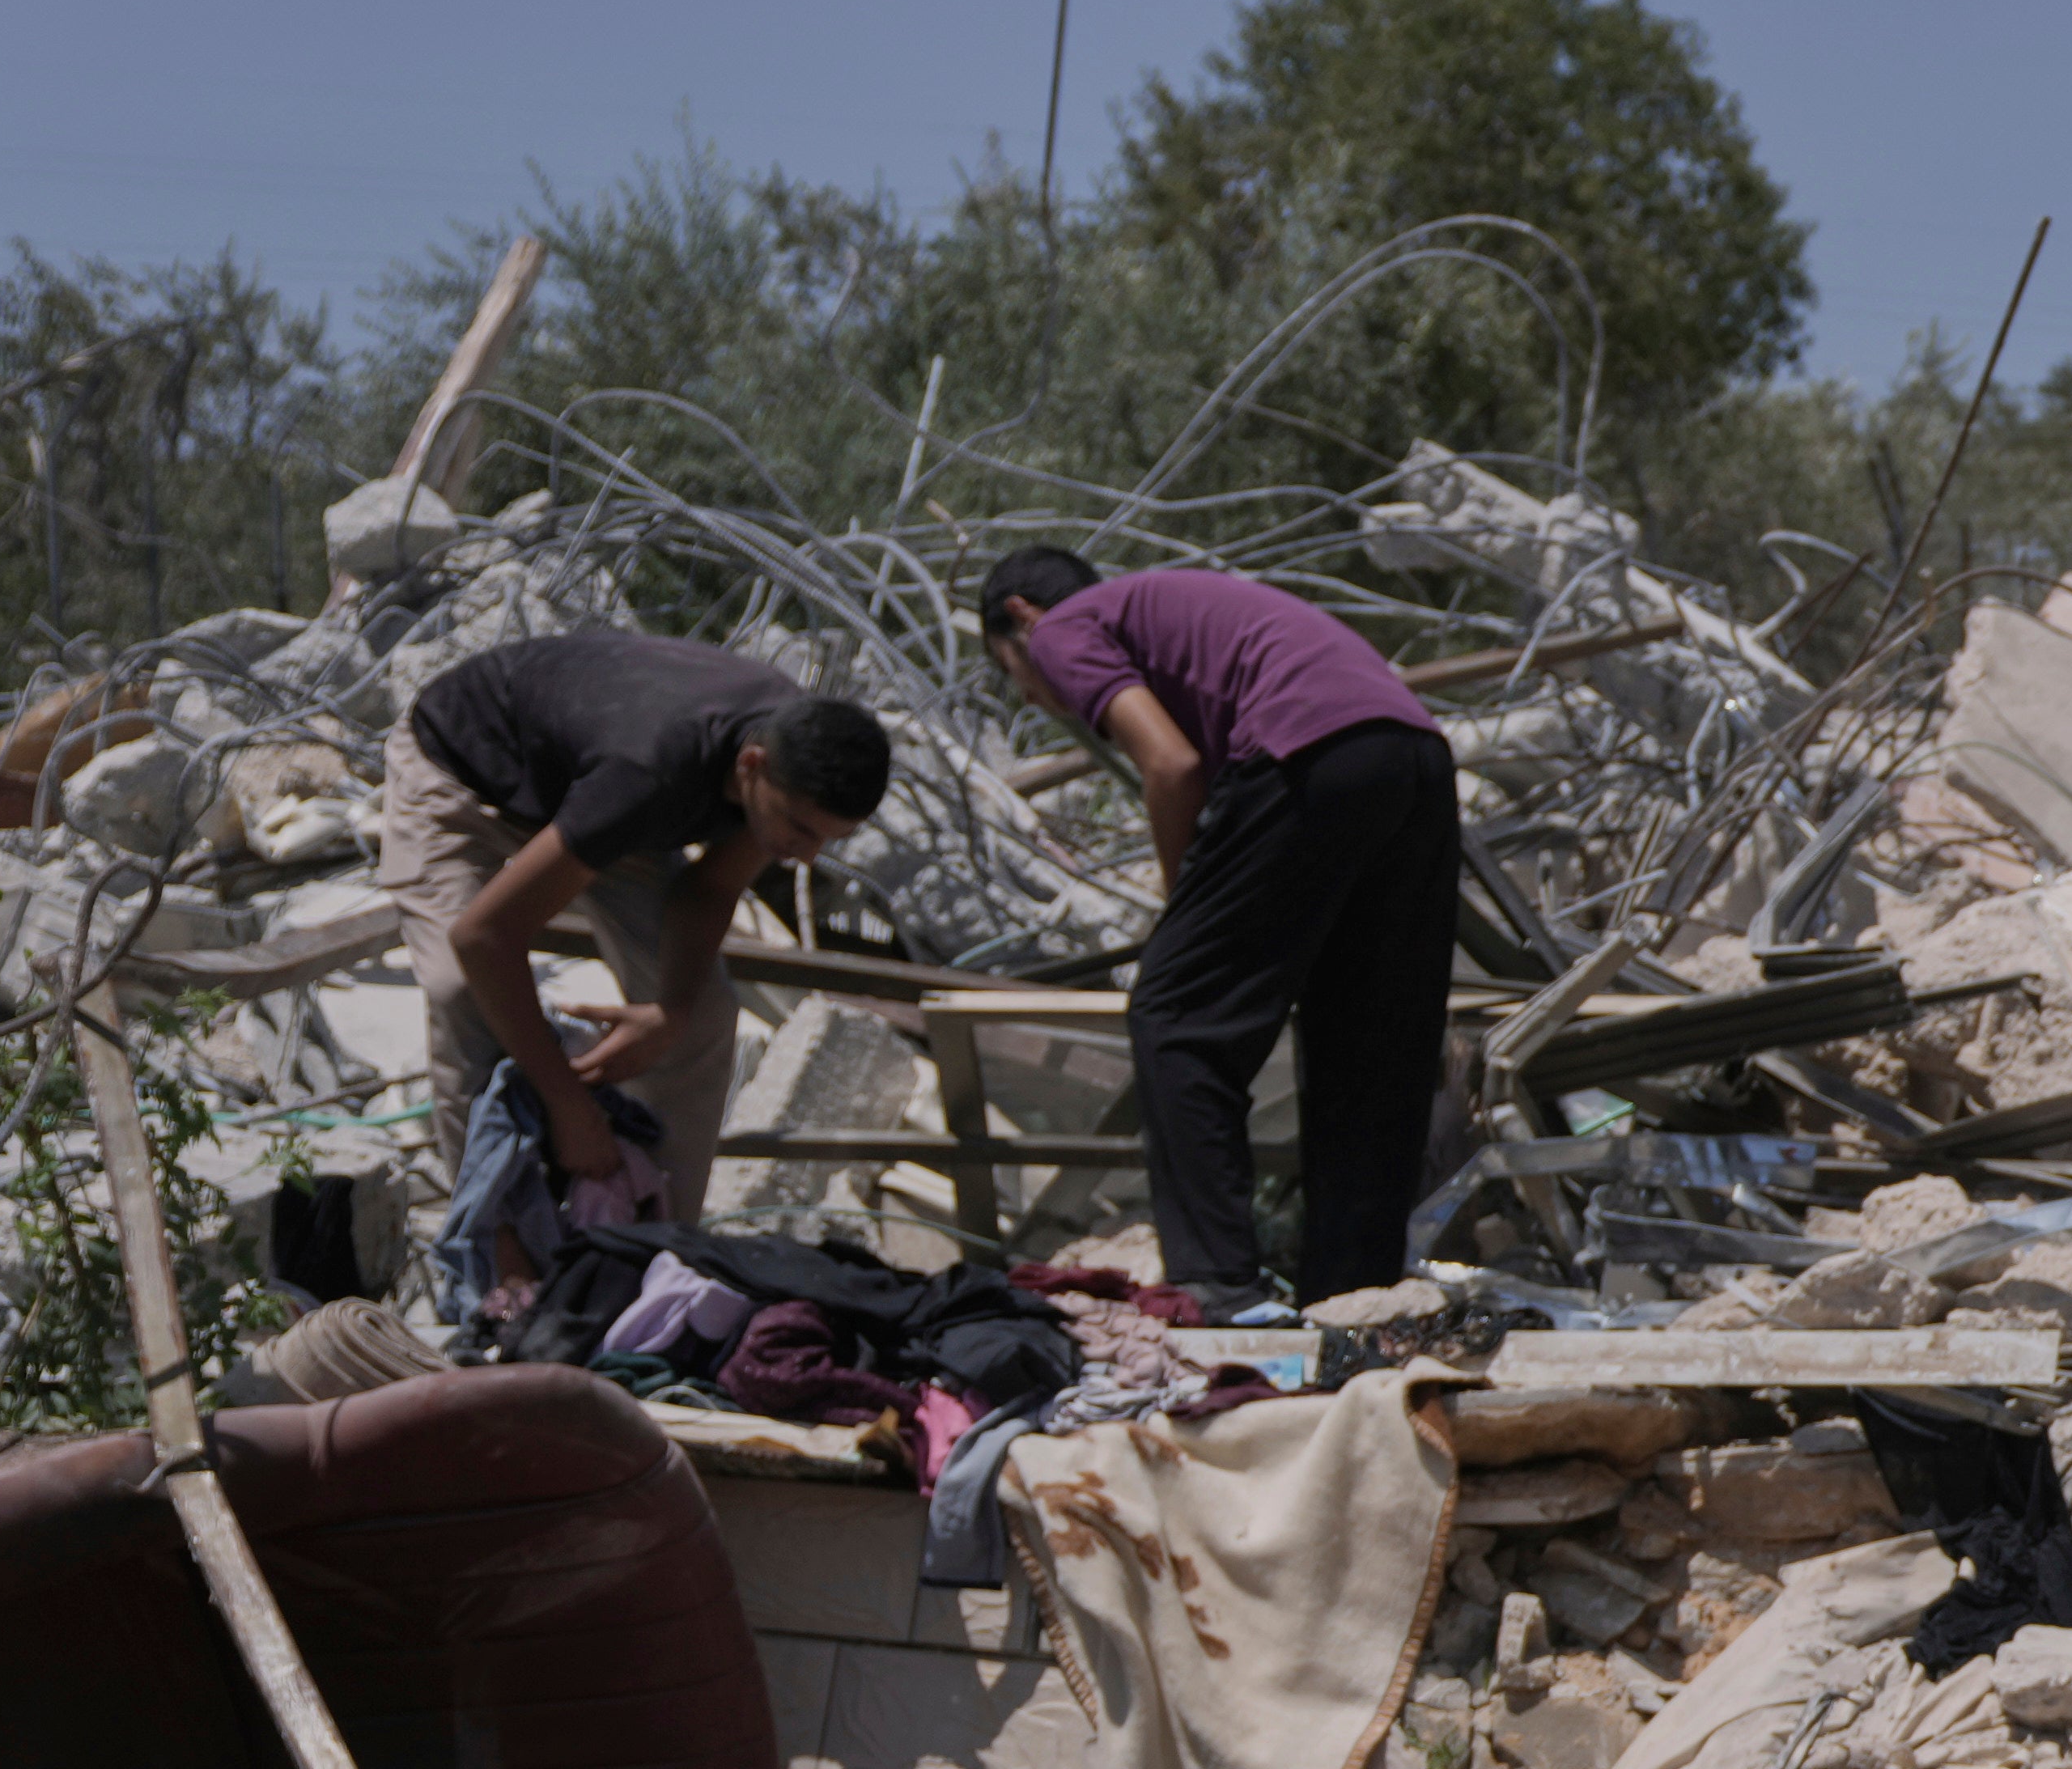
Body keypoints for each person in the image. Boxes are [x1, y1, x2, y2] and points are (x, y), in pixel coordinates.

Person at [974, 547, 1462, 1308]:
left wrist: (1184, 904)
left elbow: (1171, 763)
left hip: (1304, 747)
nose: (1033, 696)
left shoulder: (1062, 627)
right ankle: (1353, 1297)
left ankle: (1219, 1285)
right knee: (1370, 1042)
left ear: (1018, 618)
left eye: (1013, 675)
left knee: (1175, 1015)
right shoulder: (1167, 608)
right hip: (1414, 756)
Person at [388, 633, 890, 1224]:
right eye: (800, 831)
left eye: (827, 840)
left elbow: (709, 890)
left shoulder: (789, 757)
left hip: (590, 797)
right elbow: (484, 936)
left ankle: (659, 1244)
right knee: (462, 991)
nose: (804, 857)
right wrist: (568, 1104)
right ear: (751, 766)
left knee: (702, 1013)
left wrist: (669, 1012)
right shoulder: (651, 770)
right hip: (461, 773)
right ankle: (499, 1264)